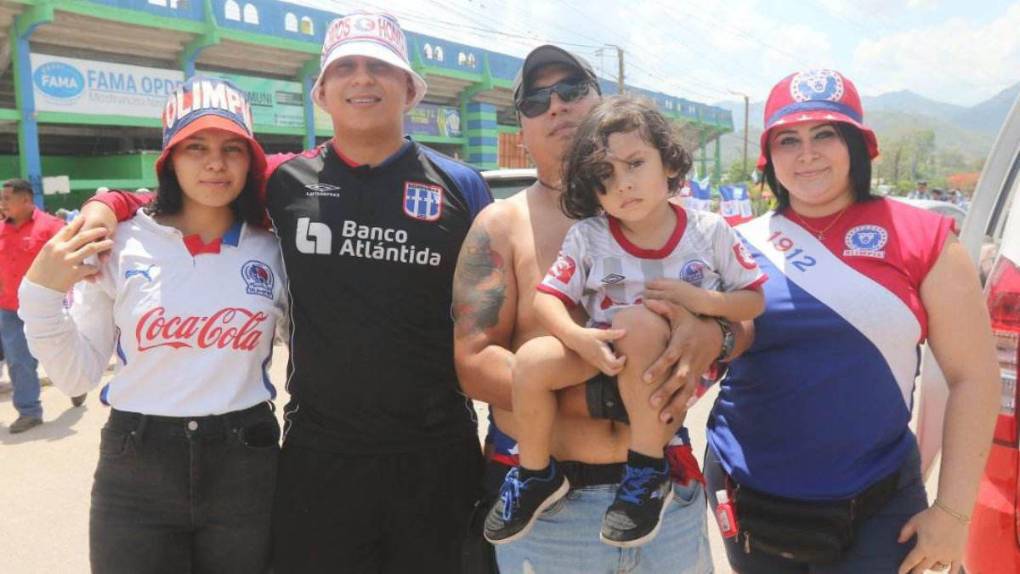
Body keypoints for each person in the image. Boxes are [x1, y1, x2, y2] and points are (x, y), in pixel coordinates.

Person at [77, 12, 492, 573]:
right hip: (320, 456)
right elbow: (193, 185)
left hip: (438, 451)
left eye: (380, 67)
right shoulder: (286, 182)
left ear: (409, 88)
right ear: (322, 91)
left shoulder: (462, 186)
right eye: (346, 67)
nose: (362, 79)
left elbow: (494, 315)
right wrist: (108, 201)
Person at [703, 69, 1000, 574]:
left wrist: (952, 513)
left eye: (825, 134)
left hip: (879, 501)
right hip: (749, 494)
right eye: (788, 139)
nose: (807, 153)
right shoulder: (733, 241)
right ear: (769, 157)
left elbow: (974, 377)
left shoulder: (925, 239)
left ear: (857, 145)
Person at [453, 45, 731, 573]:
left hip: (665, 496)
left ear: (603, 102)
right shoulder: (500, 225)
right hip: (552, 511)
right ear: (523, 130)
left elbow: (746, 320)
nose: (555, 106)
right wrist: (613, 389)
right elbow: (474, 363)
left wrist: (719, 338)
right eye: (536, 100)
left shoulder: (682, 224)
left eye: (572, 89)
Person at [18, 76, 286, 573]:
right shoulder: (119, 242)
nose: (215, 162)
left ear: (251, 161)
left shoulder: (273, 248)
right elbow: (77, 375)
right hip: (136, 464)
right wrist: (39, 294)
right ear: (169, 158)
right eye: (196, 147)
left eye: (233, 148)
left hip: (246, 462)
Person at [483, 96, 765, 548]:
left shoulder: (707, 232)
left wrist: (700, 300)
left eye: (635, 163)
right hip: (605, 352)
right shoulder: (589, 236)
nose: (623, 184)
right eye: (606, 176)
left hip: (668, 362)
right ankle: (535, 473)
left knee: (638, 322)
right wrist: (577, 336)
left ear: (669, 164)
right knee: (532, 360)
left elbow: (752, 301)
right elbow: (549, 300)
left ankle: (647, 468)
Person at [0, 178, 74, 433]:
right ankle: (29, 412)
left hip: (46, 307)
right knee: (19, 360)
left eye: (7, 198)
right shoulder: (1, 229)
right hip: (9, 309)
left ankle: (77, 385)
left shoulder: (52, 227)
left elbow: (72, 257)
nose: (2, 203)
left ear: (26, 200)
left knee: (60, 354)